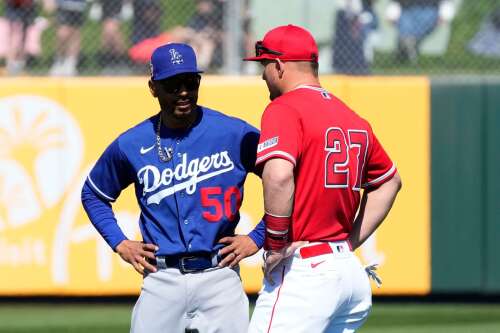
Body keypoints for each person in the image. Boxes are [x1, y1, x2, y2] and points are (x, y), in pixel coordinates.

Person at [81, 42, 263, 333]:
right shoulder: (132, 143)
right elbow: (93, 194)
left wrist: (259, 236)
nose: (183, 93)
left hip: (220, 276)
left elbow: (289, 178)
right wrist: (120, 243)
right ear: (153, 88)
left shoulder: (234, 133)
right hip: (161, 279)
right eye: (172, 85)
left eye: (190, 83)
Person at [243, 24, 402, 332]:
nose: (262, 74)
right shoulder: (352, 117)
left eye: (264, 65)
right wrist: (348, 243)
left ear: (278, 65)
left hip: (306, 274)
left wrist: (274, 245)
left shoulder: (284, 108)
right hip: (347, 274)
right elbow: (389, 182)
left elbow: (277, 176)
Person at [49, 0, 87, 76]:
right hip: (62, 5)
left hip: (78, 6)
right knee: (62, 34)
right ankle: (59, 61)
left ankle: (71, 63)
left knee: (75, 34)